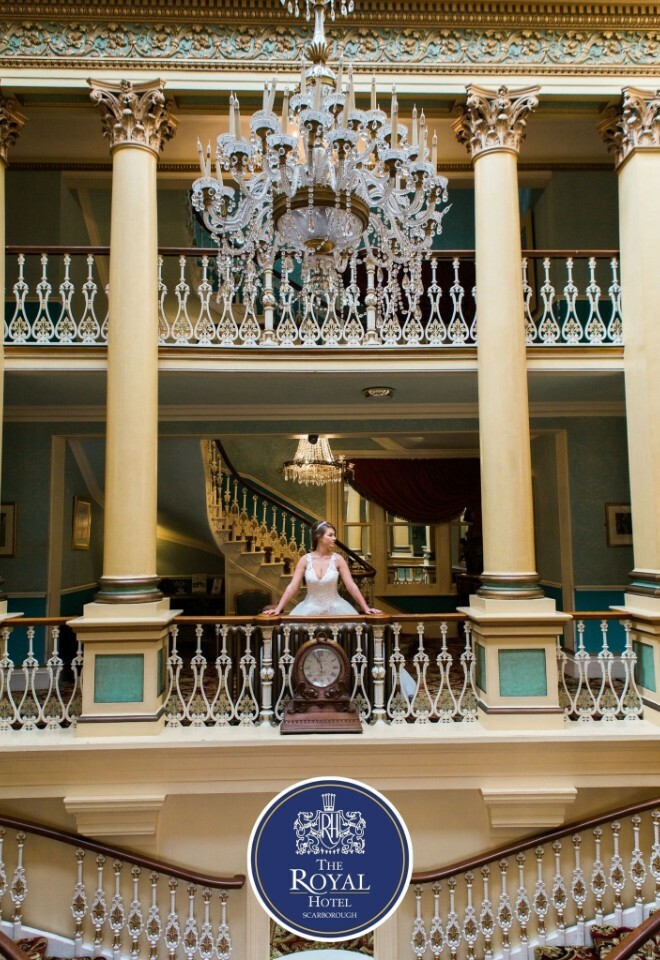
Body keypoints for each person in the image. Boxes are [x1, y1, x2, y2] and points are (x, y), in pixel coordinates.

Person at [263, 520, 381, 617]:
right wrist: (278, 608)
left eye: (334, 535)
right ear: (319, 537)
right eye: (330, 535)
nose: (334, 538)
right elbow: (293, 586)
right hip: (308, 609)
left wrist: (366, 608)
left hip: (336, 609)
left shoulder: (338, 559)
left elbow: (351, 586)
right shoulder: (305, 559)